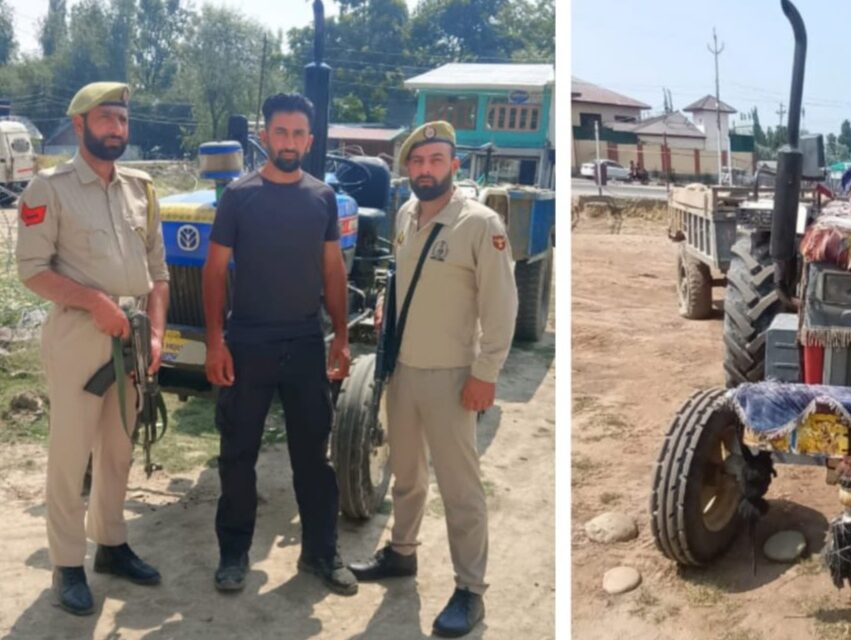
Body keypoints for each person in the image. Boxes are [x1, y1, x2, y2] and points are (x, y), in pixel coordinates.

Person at [348, 120, 518, 637]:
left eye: (436, 160)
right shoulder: (405, 214)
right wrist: (385, 312)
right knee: (406, 475)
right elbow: (401, 280)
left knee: (460, 488)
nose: (426, 170)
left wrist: (485, 373)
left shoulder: (479, 223)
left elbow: (502, 307)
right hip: (403, 371)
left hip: (451, 376)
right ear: (408, 170)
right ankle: (403, 553)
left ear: (454, 165)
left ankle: (470, 591)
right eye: (417, 162)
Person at [16, 81, 170, 616]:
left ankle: (111, 542)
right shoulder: (49, 188)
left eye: (123, 120)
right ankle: (66, 563)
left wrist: (155, 333)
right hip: (80, 336)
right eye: (106, 119)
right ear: (79, 125)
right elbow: (32, 271)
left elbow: (158, 274)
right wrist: (94, 303)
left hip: (130, 338)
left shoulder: (141, 189)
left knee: (119, 449)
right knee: (70, 453)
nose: (117, 129)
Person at [201, 92, 356, 596]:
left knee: (313, 456)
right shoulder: (238, 197)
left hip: (306, 342)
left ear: (310, 140)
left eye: (298, 134)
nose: (289, 142)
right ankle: (233, 553)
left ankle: (320, 552)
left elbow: (332, 270)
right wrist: (216, 342)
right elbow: (214, 272)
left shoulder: (322, 198)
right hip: (248, 342)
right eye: (280, 132)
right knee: (238, 454)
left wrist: (341, 336)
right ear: (265, 136)